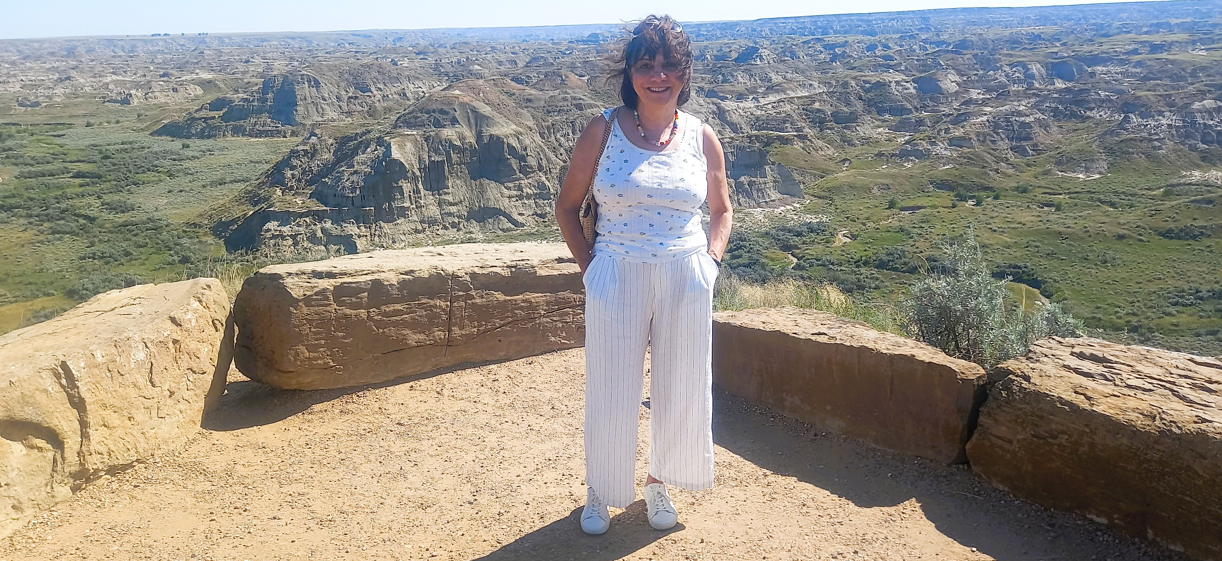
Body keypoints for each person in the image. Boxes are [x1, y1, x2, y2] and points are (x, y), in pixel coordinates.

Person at [554, 14, 733, 535]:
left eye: (669, 65)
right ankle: (602, 488)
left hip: (685, 273)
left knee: (681, 385)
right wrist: (592, 269)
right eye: (646, 64)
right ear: (630, 73)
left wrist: (710, 263)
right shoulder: (602, 130)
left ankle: (660, 481)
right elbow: (566, 208)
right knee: (611, 387)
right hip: (616, 271)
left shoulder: (701, 137)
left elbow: (722, 210)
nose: (658, 76)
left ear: (685, 72)